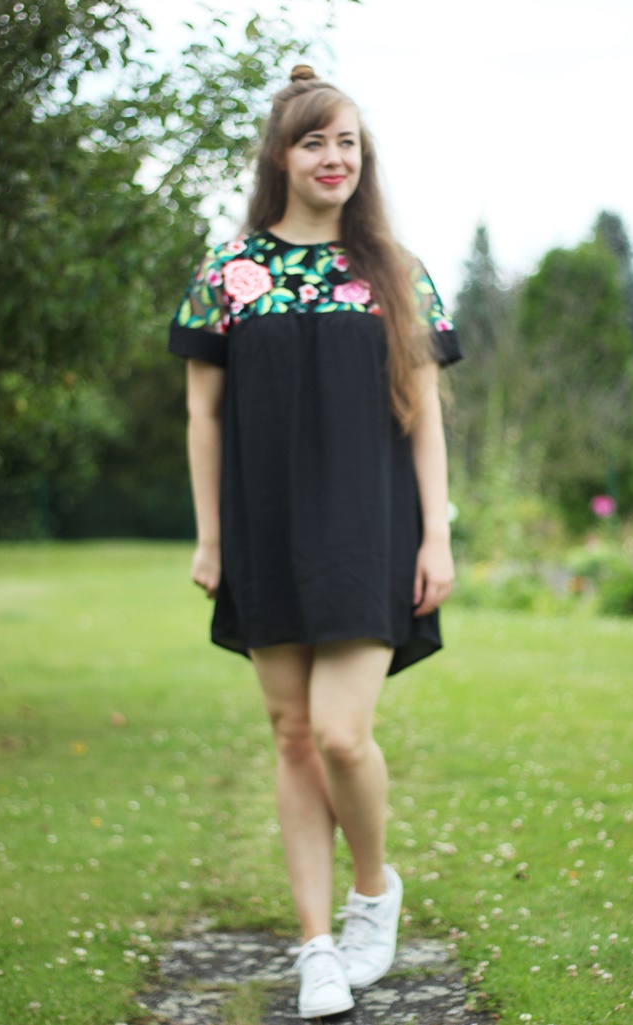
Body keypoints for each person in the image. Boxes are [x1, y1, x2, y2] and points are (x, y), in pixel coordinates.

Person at [168, 64, 461, 1020]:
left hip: (370, 527)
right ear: (280, 156)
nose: (333, 158)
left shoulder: (395, 271)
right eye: (313, 142)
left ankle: (372, 891)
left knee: (340, 731)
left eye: (346, 142)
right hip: (264, 528)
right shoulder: (228, 273)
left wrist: (436, 534)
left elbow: (424, 414)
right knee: (291, 735)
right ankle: (315, 948)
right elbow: (204, 416)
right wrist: (211, 536)